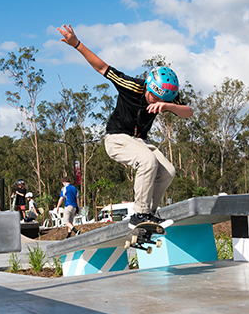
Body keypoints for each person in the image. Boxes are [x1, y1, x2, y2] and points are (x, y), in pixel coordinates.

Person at [58, 24, 194, 229]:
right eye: (153, 97)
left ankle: (149, 215)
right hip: (116, 139)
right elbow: (102, 68)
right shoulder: (130, 85)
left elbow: (189, 112)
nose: (154, 103)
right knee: (148, 161)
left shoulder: (165, 100)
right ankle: (139, 214)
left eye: (159, 101)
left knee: (168, 170)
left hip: (139, 141)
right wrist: (76, 44)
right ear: (148, 86)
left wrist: (167, 106)